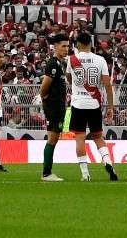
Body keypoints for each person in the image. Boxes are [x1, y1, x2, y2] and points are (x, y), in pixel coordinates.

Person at [68, 30, 118, 181]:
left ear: (77, 44)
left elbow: (69, 78)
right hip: (94, 103)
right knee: (98, 137)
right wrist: (110, 106)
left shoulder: (72, 59)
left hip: (78, 103)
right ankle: (108, 162)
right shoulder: (100, 59)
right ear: (90, 43)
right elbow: (107, 85)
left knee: (80, 138)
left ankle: (85, 174)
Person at [38, 33, 71, 182]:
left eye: (68, 46)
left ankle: (48, 172)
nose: (66, 49)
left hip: (58, 106)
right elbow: (44, 86)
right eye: (63, 46)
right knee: (52, 138)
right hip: (53, 107)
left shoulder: (60, 63)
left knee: (55, 138)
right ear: (55, 46)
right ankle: (46, 173)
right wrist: (46, 98)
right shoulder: (52, 64)